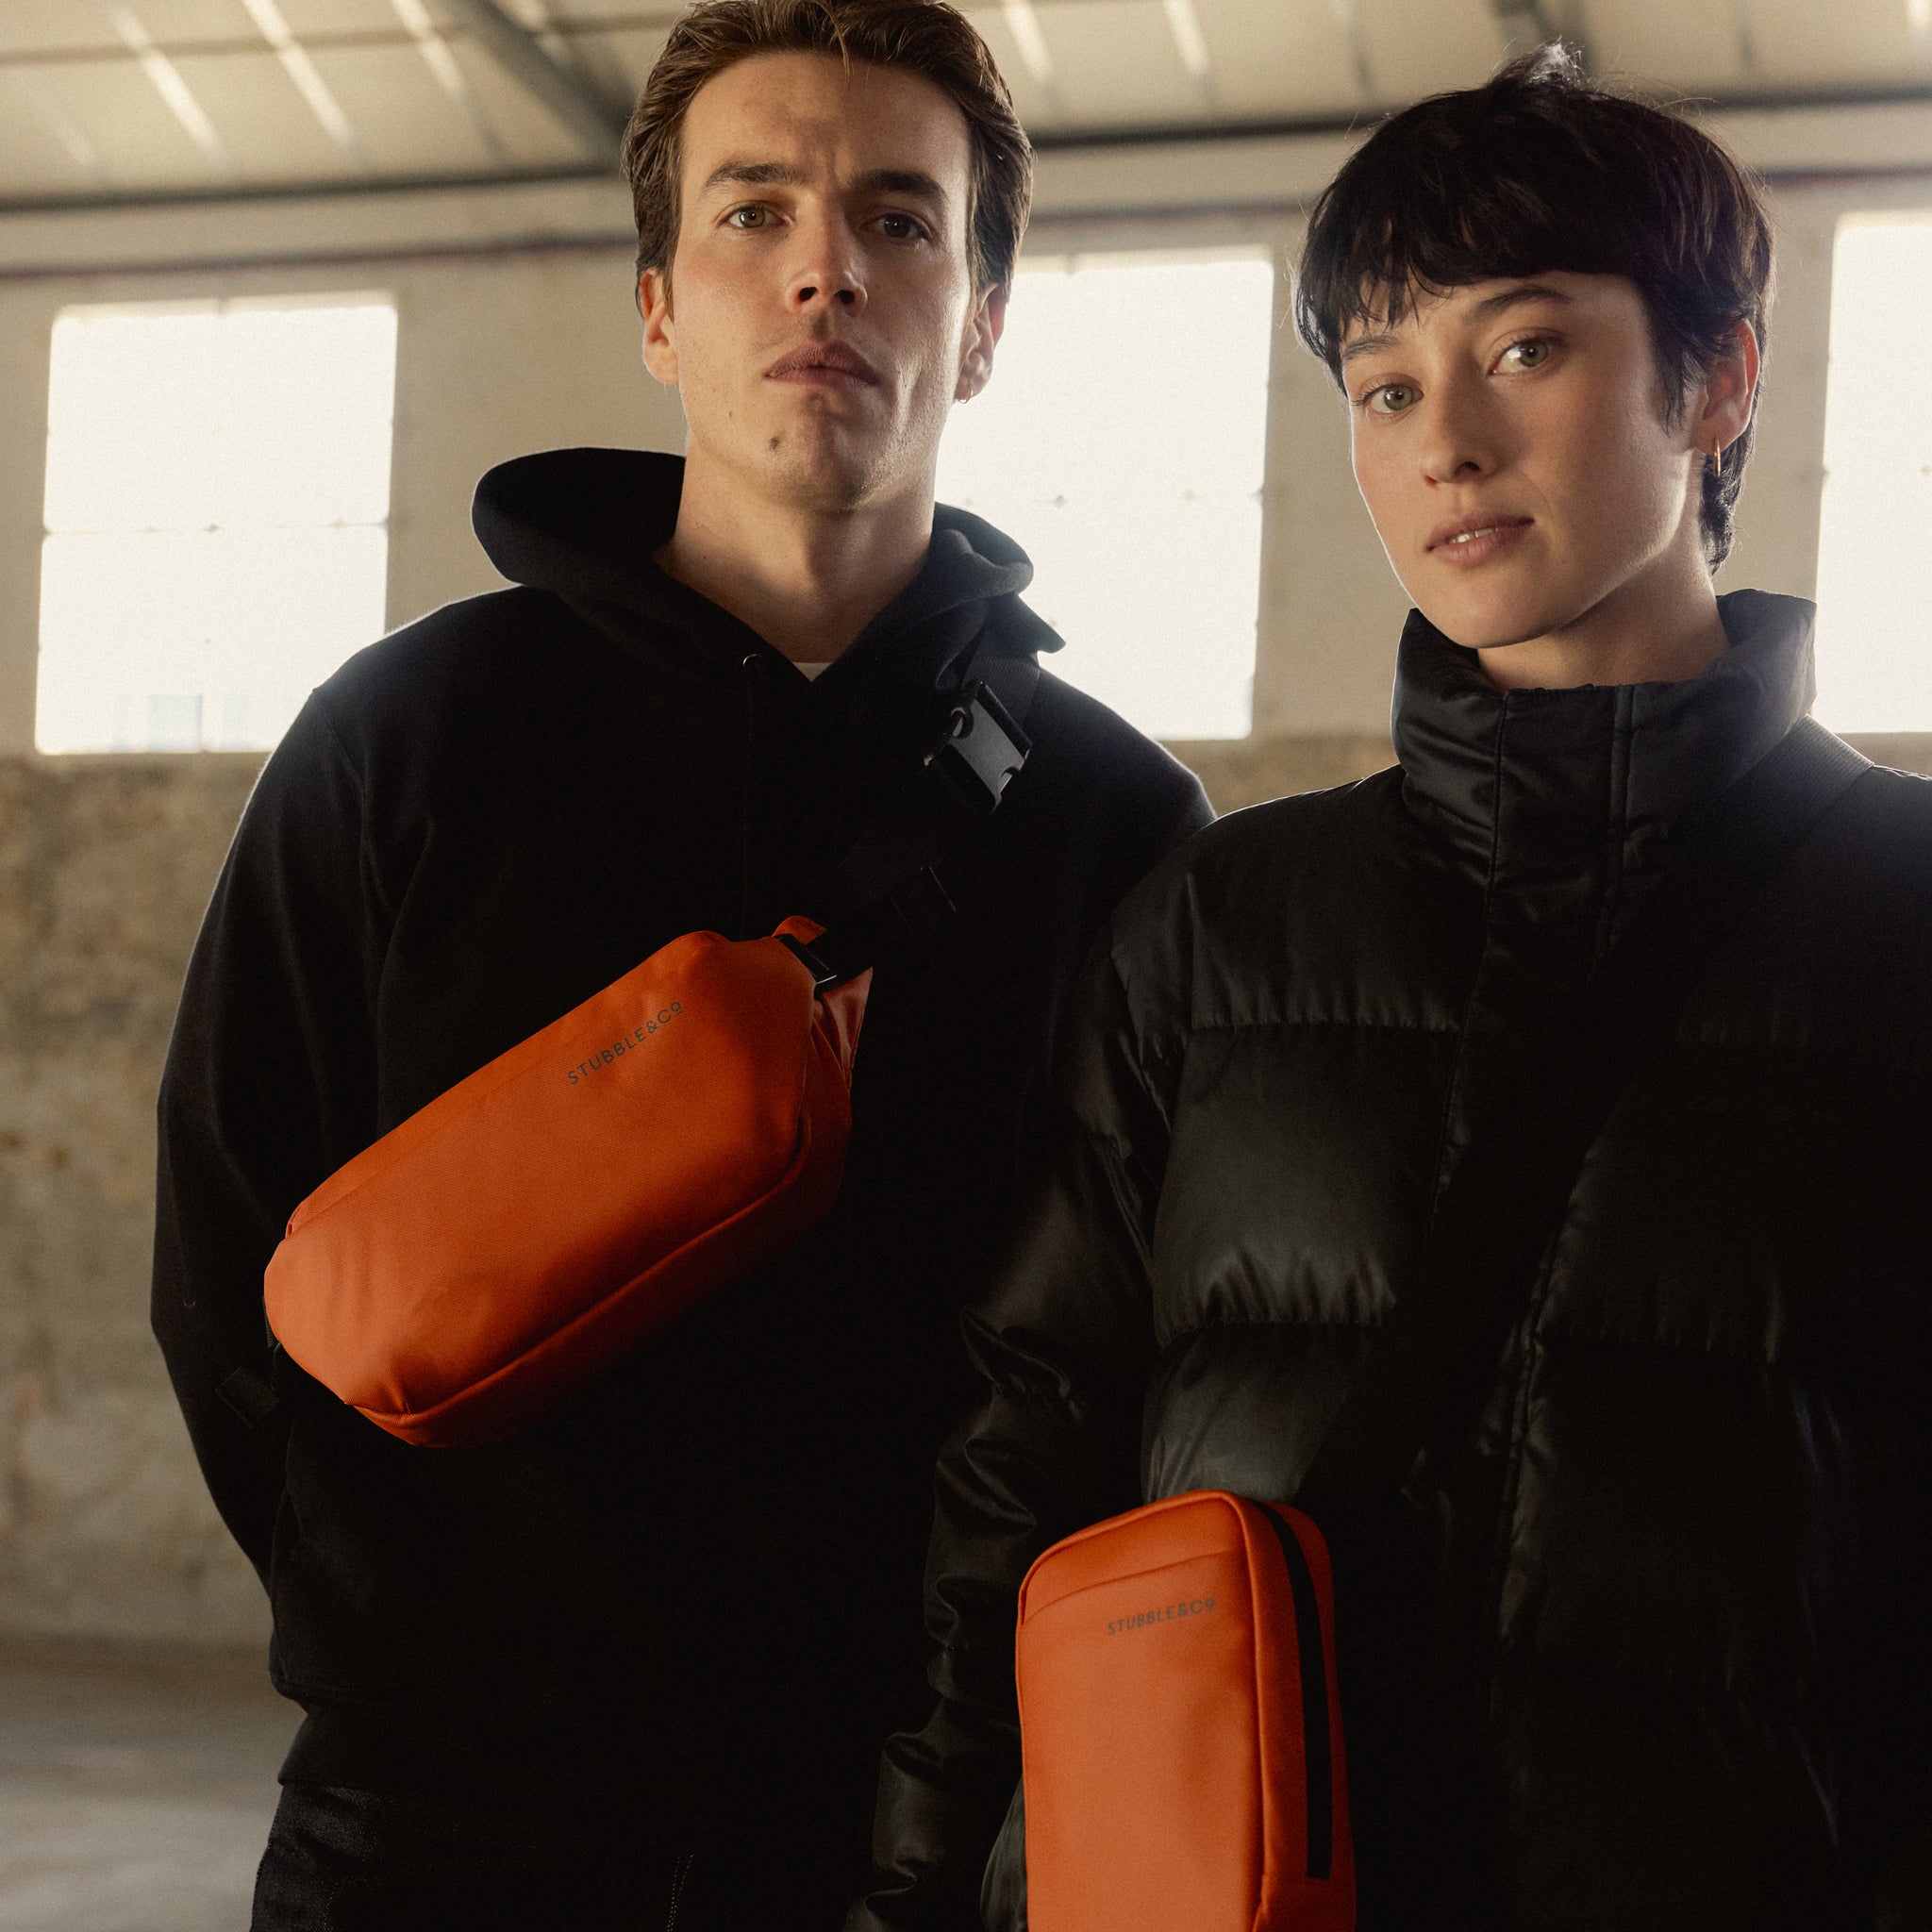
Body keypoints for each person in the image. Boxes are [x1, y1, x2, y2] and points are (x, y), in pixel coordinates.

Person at [150, 3, 1210, 1925]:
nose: (825, 263)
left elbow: (1140, 1352)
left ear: (978, 324)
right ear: (657, 308)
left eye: (902, 219)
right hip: (444, 1824)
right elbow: (234, 1239)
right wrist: (407, 1637)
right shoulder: (414, 735)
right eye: (754, 211)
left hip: (901, 1829)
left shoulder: (1114, 825)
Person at [856, 48, 1932, 1932]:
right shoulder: (1221, 923)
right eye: (1382, 383)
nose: (1443, 438)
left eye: (1527, 349)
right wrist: (915, 1892)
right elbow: (1024, 1460)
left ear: (1722, 375)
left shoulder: (1901, 920)